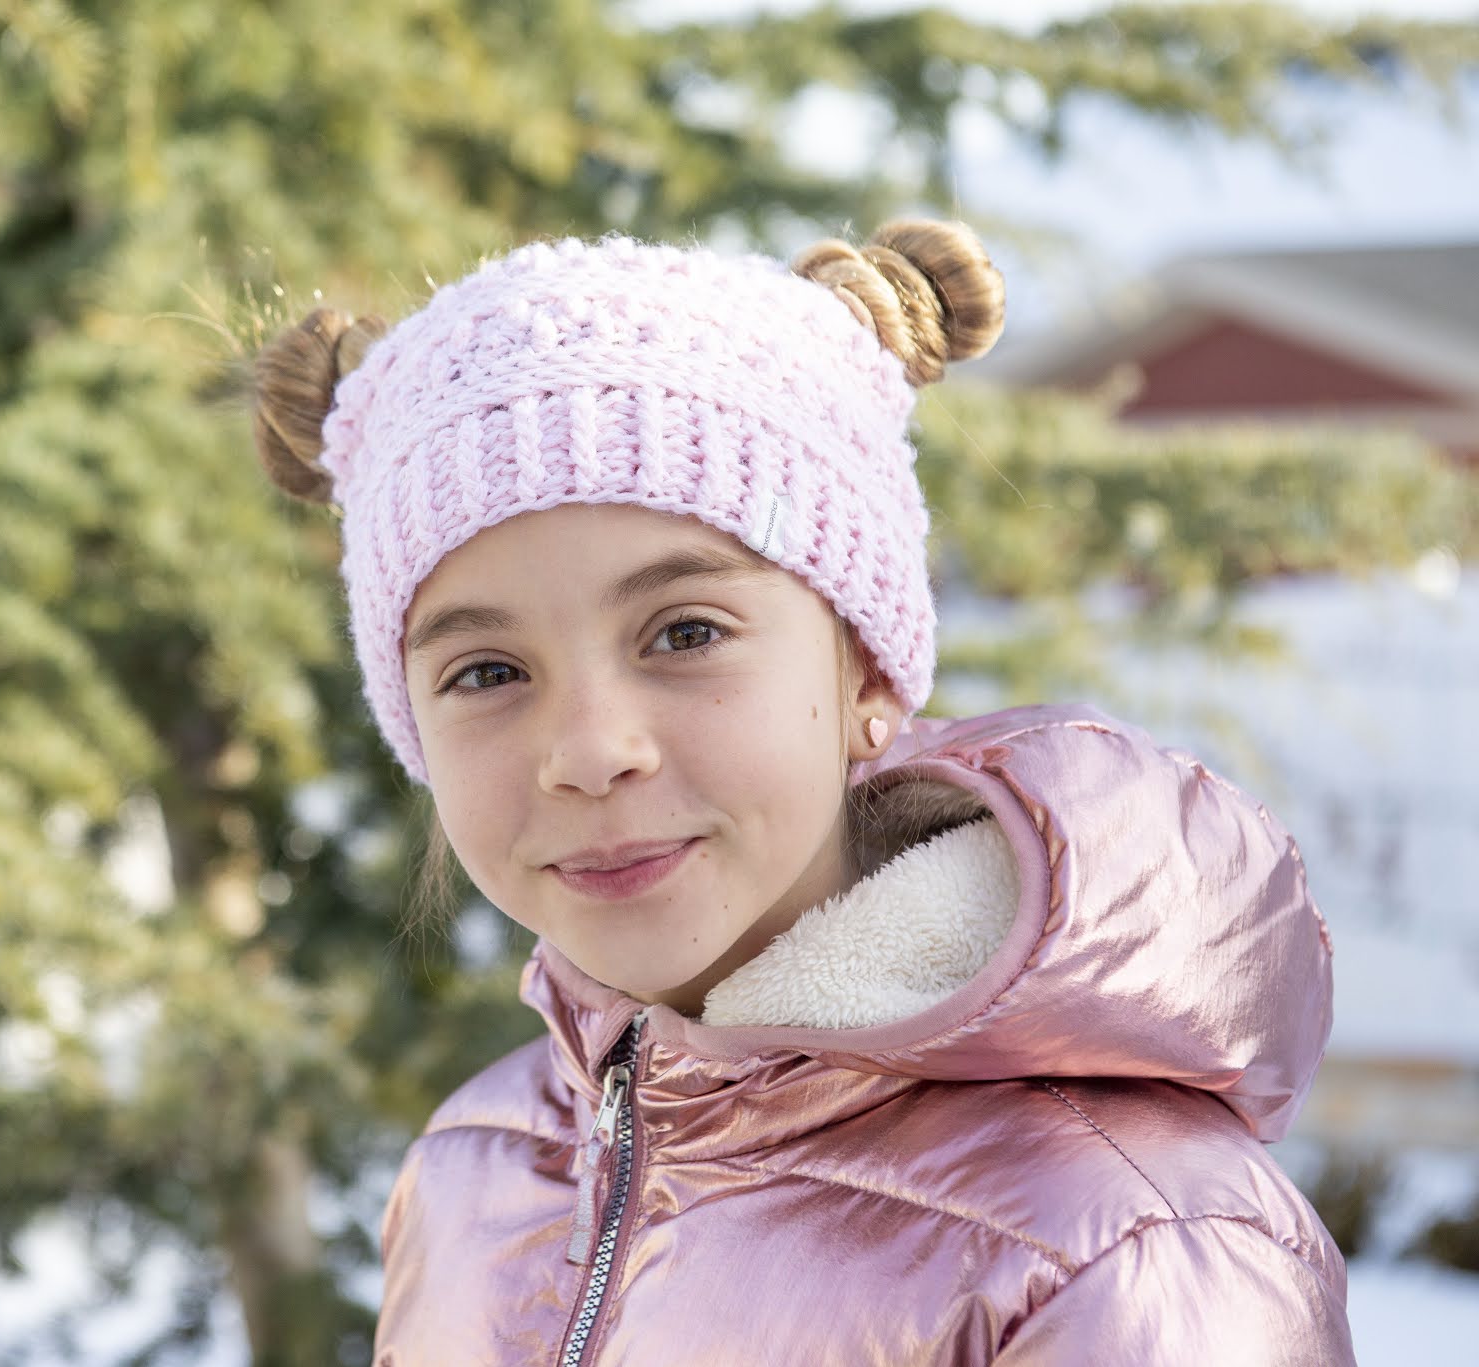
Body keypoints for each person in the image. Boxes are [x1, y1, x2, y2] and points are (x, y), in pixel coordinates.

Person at [249, 222, 1352, 1365]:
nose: (587, 749)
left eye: (683, 632)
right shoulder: (475, 1165)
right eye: (485, 671)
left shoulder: (1124, 1250)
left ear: (865, 666)